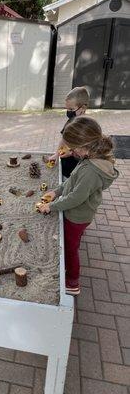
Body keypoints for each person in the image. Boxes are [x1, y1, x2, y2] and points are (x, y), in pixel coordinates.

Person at [39, 116, 119, 295]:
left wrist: (51, 206)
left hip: (77, 216)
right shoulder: (90, 158)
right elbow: (72, 181)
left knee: (69, 248)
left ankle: (72, 283)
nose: (70, 151)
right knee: (74, 241)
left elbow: (76, 197)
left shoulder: (91, 170)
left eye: (72, 148)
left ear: (83, 147)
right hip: (81, 214)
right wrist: (56, 192)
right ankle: (76, 246)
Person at [49, 86, 90, 178]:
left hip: (77, 169)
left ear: (83, 108)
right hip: (65, 165)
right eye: (67, 109)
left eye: (71, 109)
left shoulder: (87, 127)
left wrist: (71, 153)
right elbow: (63, 139)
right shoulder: (70, 121)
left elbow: (88, 152)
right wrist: (56, 154)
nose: (68, 112)